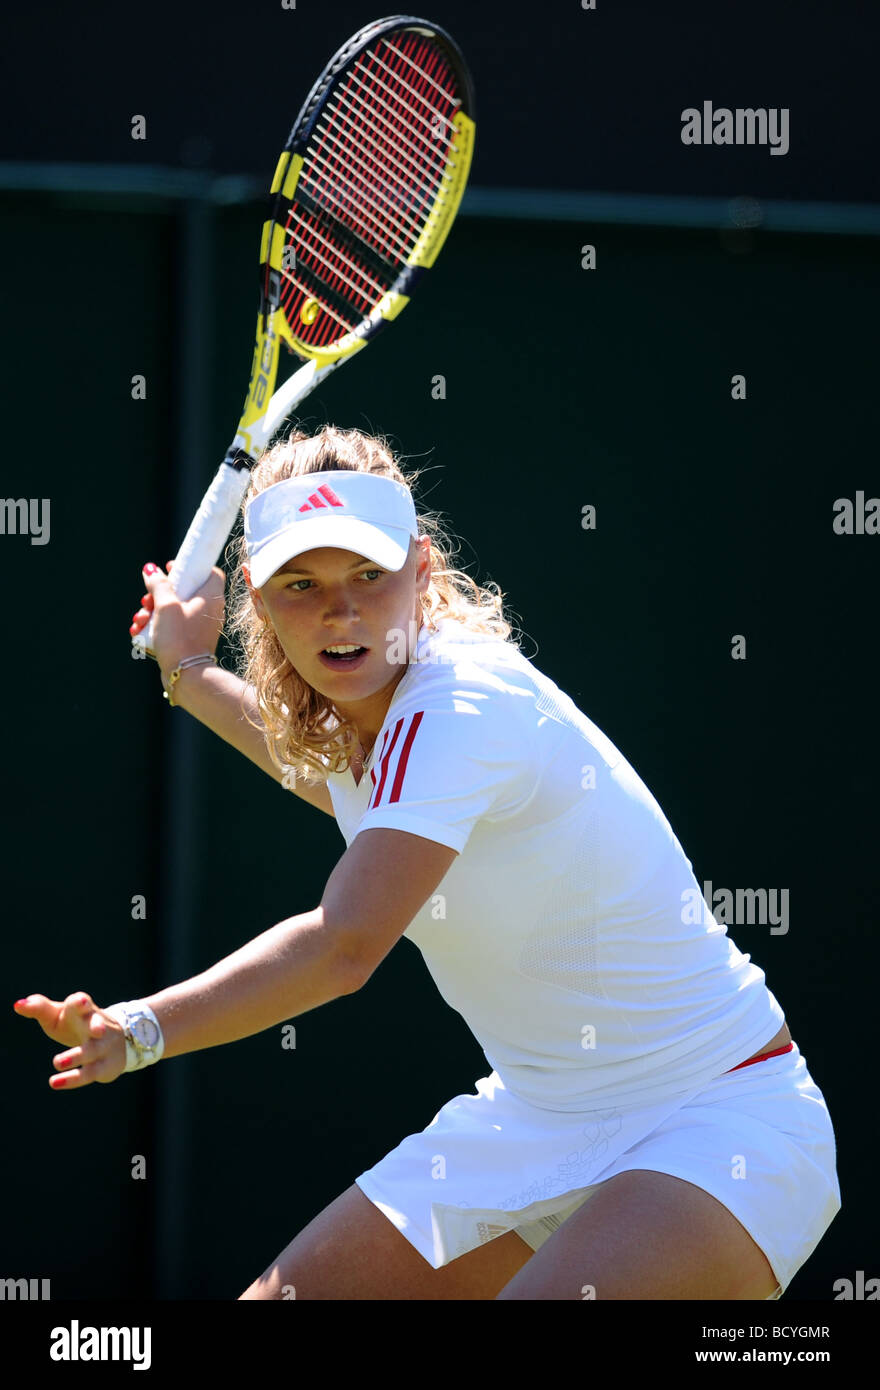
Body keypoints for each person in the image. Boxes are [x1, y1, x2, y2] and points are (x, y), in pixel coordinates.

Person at [15, 425, 840, 1301]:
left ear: (424, 569)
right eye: (302, 586)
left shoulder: (462, 705)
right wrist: (186, 668)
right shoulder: (392, 730)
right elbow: (336, 781)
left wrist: (141, 1029)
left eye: (369, 575)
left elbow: (344, 946)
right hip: (533, 1123)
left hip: (719, 1124)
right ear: (257, 597)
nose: (342, 611)